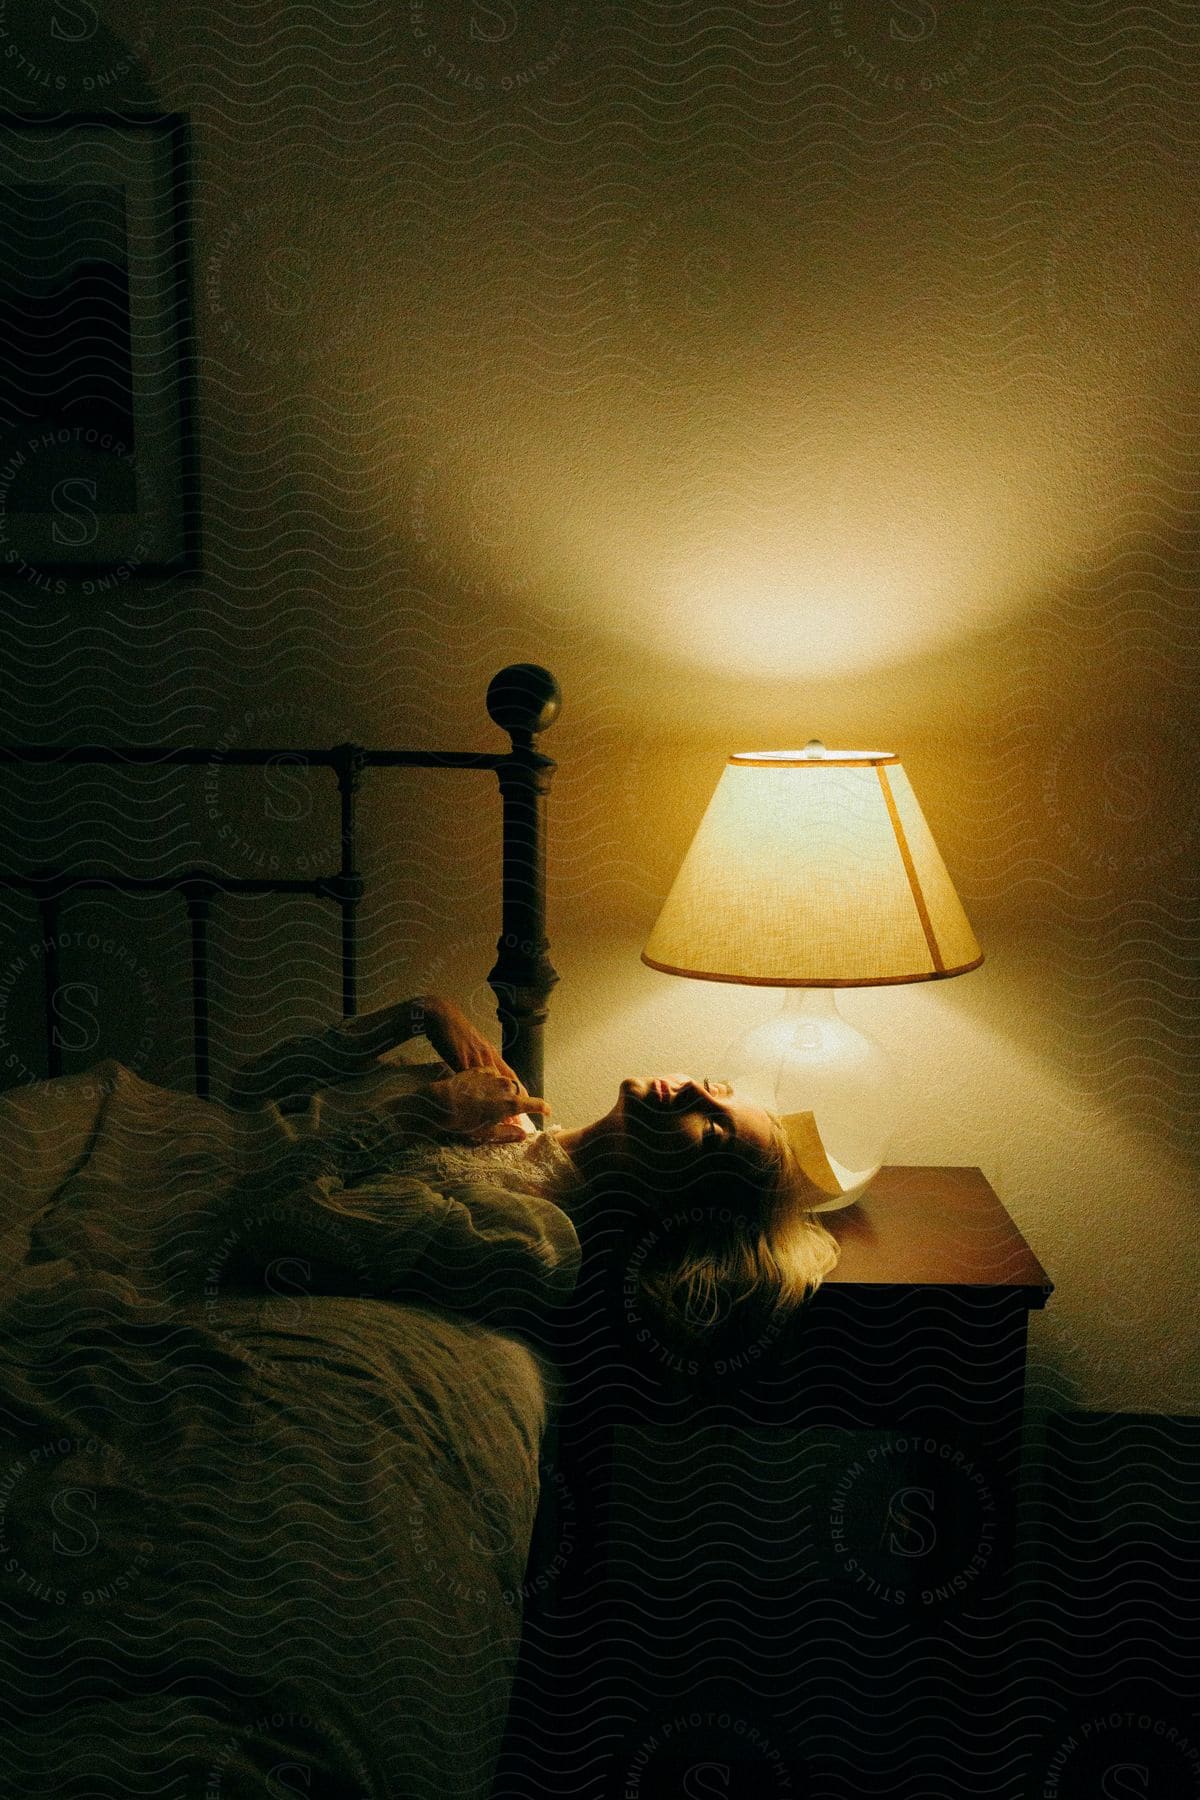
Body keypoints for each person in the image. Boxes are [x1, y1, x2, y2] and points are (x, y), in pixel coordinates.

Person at [229, 994, 839, 1356]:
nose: (691, 1093)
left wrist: (425, 1111)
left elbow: (262, 1223)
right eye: (718, 1088)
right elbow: (247, 1090)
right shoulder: (507, 1112)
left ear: (676, 1200)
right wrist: (420, 1013)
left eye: (712, 1128)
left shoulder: (530, 1239)